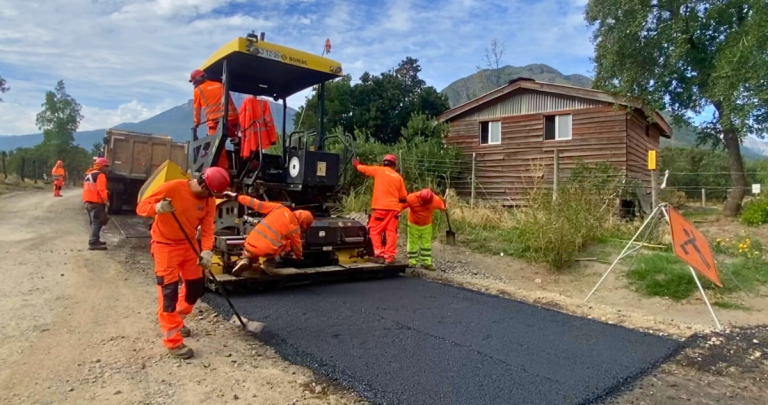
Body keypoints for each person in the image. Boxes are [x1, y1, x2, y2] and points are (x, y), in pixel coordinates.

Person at [135, 167, 230, 359]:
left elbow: (207, 229)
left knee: (195, 288)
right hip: (164, 246)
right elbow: (141, 207)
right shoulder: (172, 188)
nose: (210, 198)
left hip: (188, 246)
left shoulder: (209, 201)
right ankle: (173, 342)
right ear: (203, 184)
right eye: (209, 193)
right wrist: (157, 208)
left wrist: (206, 251)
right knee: (168, 293)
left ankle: (177, 320)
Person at [223, 192, 314, 276]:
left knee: (254, 244)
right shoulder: (295, 229)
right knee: (289, 245)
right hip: (268, 251)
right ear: (304, 223)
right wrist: (299, 257)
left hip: (251, 242)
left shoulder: (280, 207)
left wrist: (237, 197)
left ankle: (245, 259)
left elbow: (256, 203)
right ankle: (268, 265)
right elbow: (297, 248)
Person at [353, 155, 407, 264]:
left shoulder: (379, 170)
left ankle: (379, 254)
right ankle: (390, 257)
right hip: (394, 209)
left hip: (380, 208)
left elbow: (365, 169)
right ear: (394, 165)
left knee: (374, 230)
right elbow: (403, 197)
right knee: (391, 232)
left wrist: (357, 165)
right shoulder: (398, 177)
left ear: (384, 163)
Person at [190, 69, 239, 169]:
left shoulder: (198, 90)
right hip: (232, 120)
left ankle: (222, 170)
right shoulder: (220, 85)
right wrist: (237, 120)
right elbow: (230, 102)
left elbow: (196, 110)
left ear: (195, 80)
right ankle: (241, 164)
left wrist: (196, 123)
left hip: (216, 122)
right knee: (238, 141)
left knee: (217, 147)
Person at [400, 188, 446, 271]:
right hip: (413, 224)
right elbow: (401, 206)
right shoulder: (411, 198)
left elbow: (443, 207)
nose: (423, 204)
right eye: (422, 202)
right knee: (413, 243)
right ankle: (413, 262)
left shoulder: (436, 200)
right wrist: (395, 212)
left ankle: (427, 263)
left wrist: (444, 207)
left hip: (427, 225)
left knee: (426, 244)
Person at [82, 158, 110, 250]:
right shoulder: (100, 175)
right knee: (97, 222)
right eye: (106, 166)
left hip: (88, 202)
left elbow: (92, 188)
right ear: (101, 166)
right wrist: (106, 200)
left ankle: (96, 239)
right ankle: (93, 243)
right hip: (96, 202)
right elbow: (100, 189)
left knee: (94, 222)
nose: (107, 169)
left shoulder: (89, 174)